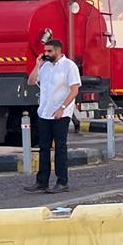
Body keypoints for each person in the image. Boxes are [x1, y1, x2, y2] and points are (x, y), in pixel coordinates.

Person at [23, 39, 80, 193]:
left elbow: (74, 90)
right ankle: (42, 181)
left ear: (58, 51)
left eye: (49, 51)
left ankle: (62, 182)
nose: (46, 54)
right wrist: (37, 65)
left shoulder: (69, 66)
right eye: (45, 51)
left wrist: (62, 108)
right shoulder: (45, 66)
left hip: (61, 113)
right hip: (44, 113)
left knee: (60, 148)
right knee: (44, 148)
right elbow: (31, 81)